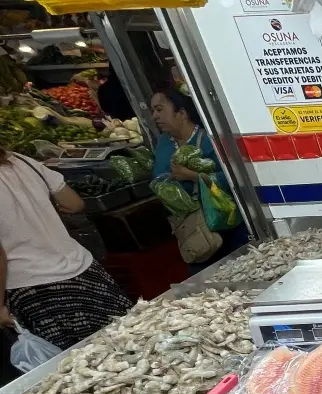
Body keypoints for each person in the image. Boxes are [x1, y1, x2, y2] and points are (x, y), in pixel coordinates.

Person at [0, 148, 133, 349]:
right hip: (85, 273)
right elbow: (74, 203)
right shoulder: (21, 160)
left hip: (36, 290)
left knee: (84, 365)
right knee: (129, 340)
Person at [150, 88, 248, 270]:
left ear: (181, 113)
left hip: (224, 222)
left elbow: (233, 178)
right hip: (193, 229)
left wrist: (194, 177)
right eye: (153, 111)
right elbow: (158, 176)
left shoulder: (209, 140)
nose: (155, 116)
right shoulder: (164, 142)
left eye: (159, 109)